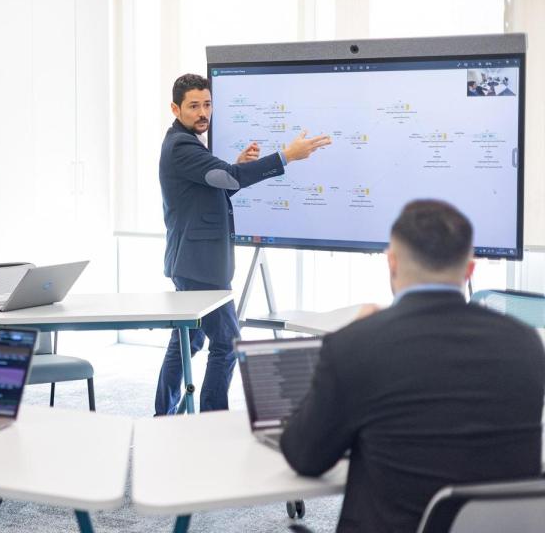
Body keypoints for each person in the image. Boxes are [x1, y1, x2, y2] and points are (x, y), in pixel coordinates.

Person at [280, 200, 545, 533]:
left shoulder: (356, 344)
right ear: (469, 270)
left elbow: (305, 457)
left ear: (391, 262)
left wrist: (350, 338)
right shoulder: (526, 344)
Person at [155, 73, 332, 414]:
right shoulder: (181, 145)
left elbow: (218, 186)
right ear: (175, 108)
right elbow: (228, 179)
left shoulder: (185, 141)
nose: (203, 112)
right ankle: (209, 417)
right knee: (227, 344)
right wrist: (285, 156)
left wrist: (237, 167)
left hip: (193, 261)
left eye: (207, 104)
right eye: (194, 106)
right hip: (199, 265)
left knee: (186, 341)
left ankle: (165, 413)